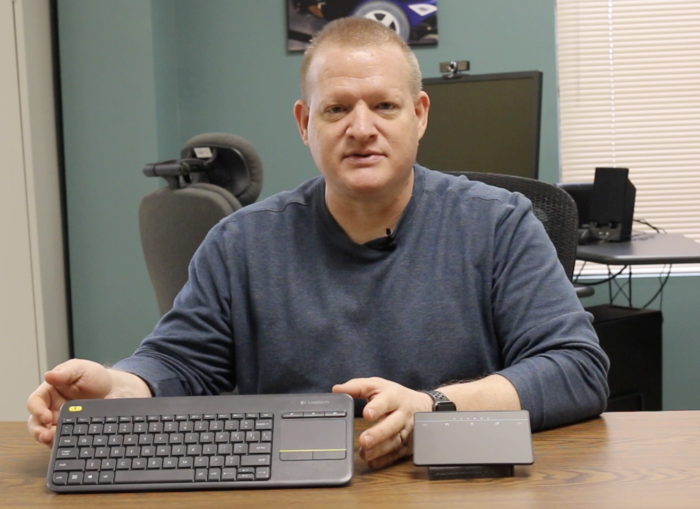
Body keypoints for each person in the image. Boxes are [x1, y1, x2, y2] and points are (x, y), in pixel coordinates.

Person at [28, 17, 609, 470]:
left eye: (384, 105)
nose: (362, 128)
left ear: (420, 114)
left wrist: (435, 409)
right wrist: (116, 388)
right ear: (305, 122)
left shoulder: (499, 224)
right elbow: (179, 363)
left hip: (450, 485)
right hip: (294, 487)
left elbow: (576, 368)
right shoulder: (242, 242)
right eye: (337, 109)